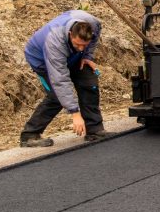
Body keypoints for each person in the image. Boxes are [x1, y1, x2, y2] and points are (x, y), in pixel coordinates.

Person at [19, 10, 105, 146]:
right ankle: (30, 135)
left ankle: (94, 130)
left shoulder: (93, 24)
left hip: (71, 56)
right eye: (78, 44)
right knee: (56, 97)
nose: (81, 48)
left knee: (89, 82)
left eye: (84, 45)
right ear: (71, 34)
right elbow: (60, 80)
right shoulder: (55, 42)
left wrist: (87, 56)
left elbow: (94, 39)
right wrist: (75, 113)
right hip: (41, 60)